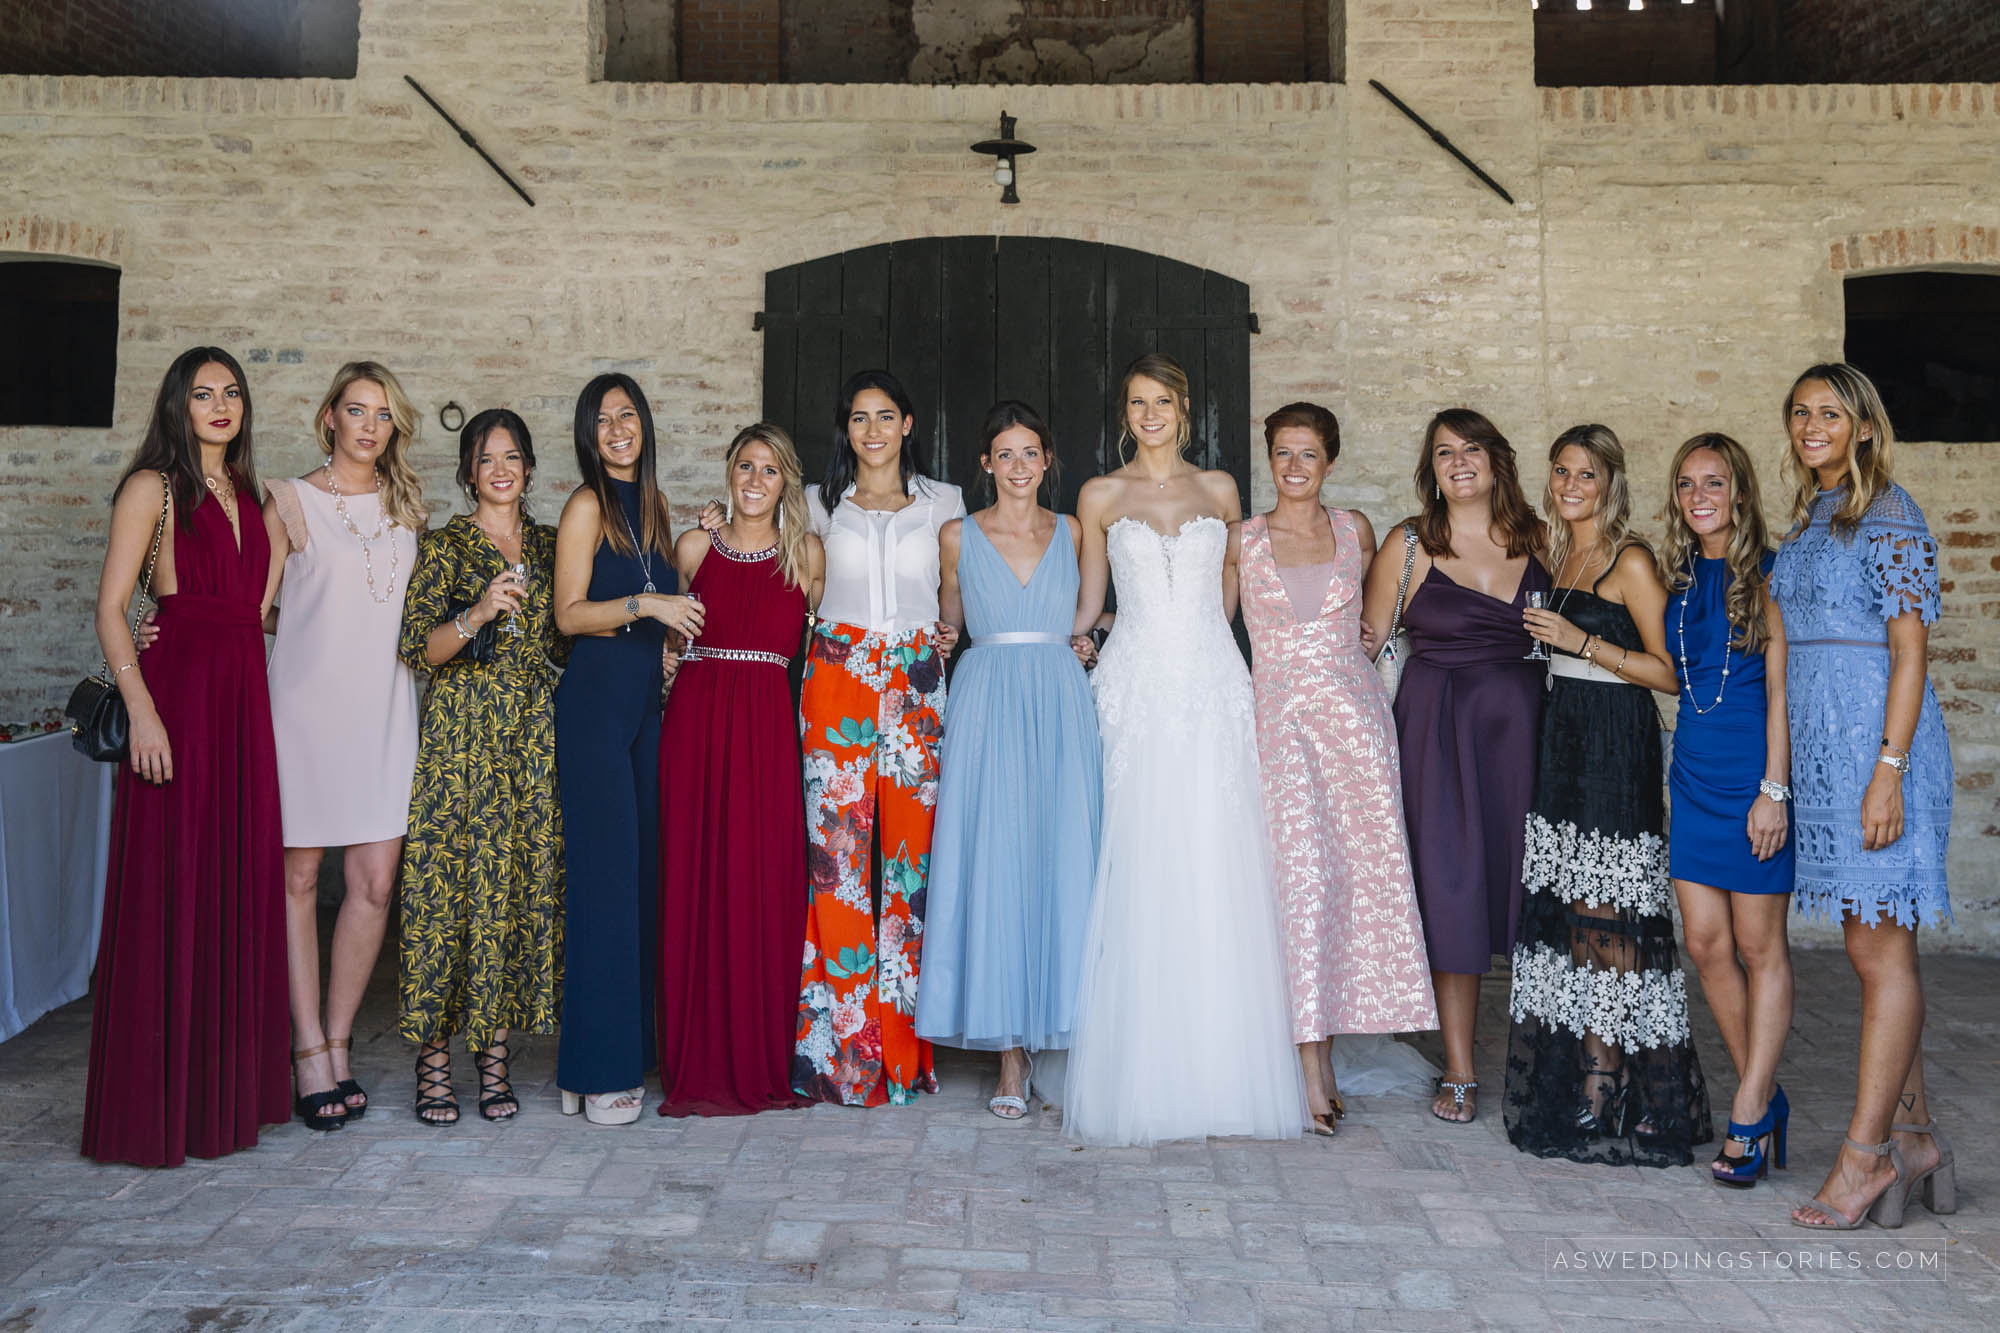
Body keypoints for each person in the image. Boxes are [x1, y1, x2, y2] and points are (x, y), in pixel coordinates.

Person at [1063, 352, 1304, 1147]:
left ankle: (1226, 1061)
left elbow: (1233, 585)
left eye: (1162, 400)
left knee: (1217, 853)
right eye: (1136, 401)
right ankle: (1140, 1058)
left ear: (1184, 406)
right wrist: (1077, 641)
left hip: (1210, 679)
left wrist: (1214, 646)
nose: (1149, 413)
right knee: (1141, 853)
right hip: (1133, 683)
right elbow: (1094, 601)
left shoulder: (1221, 489)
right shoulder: (1100, 494)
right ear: (1124, 412)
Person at [81, 347, 291, 1164]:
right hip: (175, 706)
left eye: (231, 392)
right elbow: (110, 607)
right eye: (203, 393)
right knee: (172, 890)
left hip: (243, 710)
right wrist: (143, 712)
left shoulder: (256, 499)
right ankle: (154, 1108)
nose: (219, 404)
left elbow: (260, 616)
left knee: (233, 886)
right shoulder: (153, 488)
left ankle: (220, 1101)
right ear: (178, 403)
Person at [1773, 364, 1954, 1230]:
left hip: (1881, 758)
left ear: (1865, 426)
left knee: (1879, 951)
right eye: (1802, 413)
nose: (1813, 426)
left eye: (1830, 413)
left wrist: (1887, 768)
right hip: (1825, 760)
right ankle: (1915, 1135)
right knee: (1871, 947)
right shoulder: (1812, 516)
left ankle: (1864, 1158)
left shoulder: (1891, 515)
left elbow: (1910, 653)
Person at [1504, 424, 1711, 1166]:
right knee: (1573, 921)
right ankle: (1591, 1071)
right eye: (1560, 470)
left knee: (1611, 917)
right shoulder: (1558, 554)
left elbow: (1669, 673)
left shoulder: (1630, 560)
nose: (1569, 484)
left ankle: (1616, 1078)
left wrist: (1579, 639)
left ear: (1610, 482)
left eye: (1585, 473)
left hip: (1614, 749)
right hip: (1562, 743)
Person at [1237, 402, 1437, 1136]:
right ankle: (1309, 1058)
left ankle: (1341, 1026)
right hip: (1279, 727)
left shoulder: (1355, 530)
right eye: (1283, 454)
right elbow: (1206, 631)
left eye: (1309, 455)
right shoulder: (1241, 540)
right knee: (1300, 882)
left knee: (1355, 880)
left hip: (1355, 726)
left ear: (1330, 461)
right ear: (1270, 458)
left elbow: (1379, 623)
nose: (1294, 468)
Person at [915, 402, 1102, 1120]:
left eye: (1031, 453)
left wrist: (1089, 641)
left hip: (1058, 697)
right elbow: (950, 624)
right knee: (996, 858)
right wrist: (932, 641)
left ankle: (1070, 1029)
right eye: (1005, 453)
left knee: (1059, 857)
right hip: (988, 697)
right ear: (985, 464)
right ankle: (1009, 1059)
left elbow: (1086, 615)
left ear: (1047, 462)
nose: (1019, 466)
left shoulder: (1075, 530)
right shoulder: (958, 534)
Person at [1361, 408, 1547, 1125]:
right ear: (1430, 469)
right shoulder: (1410, 543)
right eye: (1445, 453)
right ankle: (1462, 1069)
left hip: (1525, 738)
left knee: (1535, 894)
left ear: (1496, 459)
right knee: (1455, 892)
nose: (1459, 462)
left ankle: (1549, 1059)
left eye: (1472, 449)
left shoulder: (1540, 539)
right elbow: (1369, 646)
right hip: (1436, 738)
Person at [792, 370, 965, 1108]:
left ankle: (902, 1054)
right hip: (836, 674)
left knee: (906, 866)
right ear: (847, 428)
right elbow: (787, 586)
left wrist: (946, 639)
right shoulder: (814, 505)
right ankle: (841, 1058)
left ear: (908, 424)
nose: (872, 430)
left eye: (885, 416)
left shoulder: (946, 503)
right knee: (836, 862)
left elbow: (956, 591)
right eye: (859, 417)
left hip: (919, 679)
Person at [265, 360, 427, 1129]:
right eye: (356, 410)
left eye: (383, 414)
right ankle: (307, 1052)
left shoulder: (408, 508)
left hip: (385, 709)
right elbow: (252, 610)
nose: (369, 425)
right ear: (329, 415)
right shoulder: (288, 502)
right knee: (298, 880)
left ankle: (338, 1038)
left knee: (372, 883)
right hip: (301, 709)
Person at [396, 409, 566, 1125]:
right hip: (459, 740)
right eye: (486, 458)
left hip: (529, 739)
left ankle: (493, 1062)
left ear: (529, 467)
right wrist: (478, 612)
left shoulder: (555, 544)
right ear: (469, 470)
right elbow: (416, 648)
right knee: (445, 891)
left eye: (513, 456)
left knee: (510, 893)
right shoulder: (444, 547)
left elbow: (576, 626)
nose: (501, 469)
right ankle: (433, 1066)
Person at [655, 423, 823, 1117]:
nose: (755, 480)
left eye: (770, 470)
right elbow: (663, 641)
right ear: (729, 473)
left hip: (766, 736)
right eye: (745, 467)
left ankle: (756, 1055)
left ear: (787, 482)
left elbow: (830, 645)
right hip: (695, 725)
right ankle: (691, 1056)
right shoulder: (695, 546)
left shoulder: (807, 556)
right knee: (692, 881)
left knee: (759, 885)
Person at [551, 374, 704, 1125]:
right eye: (603, 418)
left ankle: (615, 1053)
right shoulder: (586, 504)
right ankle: (598, 1066)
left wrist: (665, 641)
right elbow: (569, 614)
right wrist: (648, 605)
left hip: (644, 705)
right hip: (593, 711)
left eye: (628, 415)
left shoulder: (652, 508)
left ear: (645, 425)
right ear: (589, 432)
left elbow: (658, 616)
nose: (618, 428)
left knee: (639, 881)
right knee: (605, 887)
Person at [1656, 432, 1796, 1187]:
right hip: (1693, 777)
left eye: (1714, 482)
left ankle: (1748, 1111)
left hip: (1751, 781)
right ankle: (1764, 1094)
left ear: (1739, 491)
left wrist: (1774, 791)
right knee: (1706, 945)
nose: (1699, 495)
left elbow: (1780, 691)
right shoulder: (1676, 577)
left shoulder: (1770, 574)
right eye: (1687, 483)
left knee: (1757, 943)